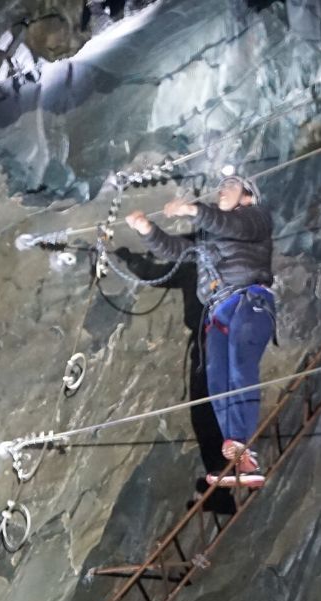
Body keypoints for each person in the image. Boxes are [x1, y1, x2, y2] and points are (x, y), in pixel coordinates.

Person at [125, 168, 277, 488]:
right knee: (216, 380)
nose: (222, 190)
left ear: (247, 196)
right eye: (220, 187)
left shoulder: (257, 220)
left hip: (250, 301)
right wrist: (147, 229)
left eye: (231, 186)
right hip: (218, 314)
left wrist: (194, 210)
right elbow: (176, 251)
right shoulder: (210, 238)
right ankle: (241, 460)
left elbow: (229, 223)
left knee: (239, 361)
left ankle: (240, 442)